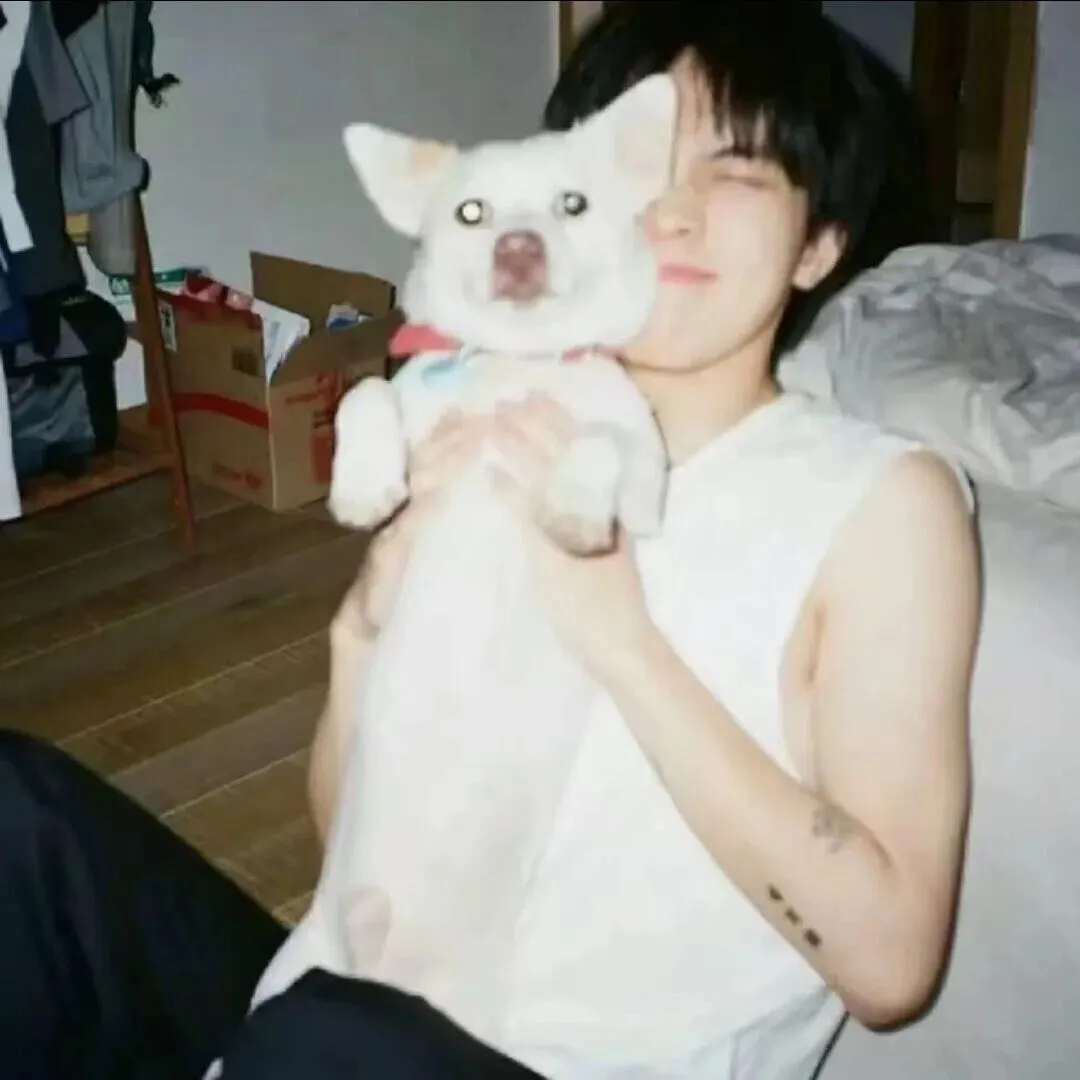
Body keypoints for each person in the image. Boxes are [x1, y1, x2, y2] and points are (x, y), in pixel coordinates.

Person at [0, 4, 980, 1079]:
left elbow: (891, 967)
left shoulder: (879, 503)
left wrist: (624, 643)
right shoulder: (499, 429)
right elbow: (348, 850)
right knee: (16, 814)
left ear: (820, 242)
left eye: (737, 172)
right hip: (328, 1010)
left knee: (333, 1039)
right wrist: (360, 633)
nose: (672, 213)